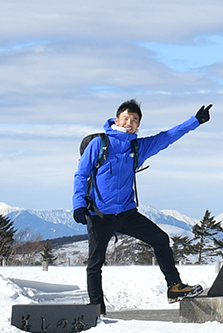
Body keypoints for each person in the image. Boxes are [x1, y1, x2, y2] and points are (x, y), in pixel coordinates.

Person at [74, 99, 212, 312]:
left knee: (160, 239)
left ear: (138, 125)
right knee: (95, 263)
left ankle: (174, 287)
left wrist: (195, 121)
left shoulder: (136, 147)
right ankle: (96, 309)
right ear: (117, 119)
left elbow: (166, 137)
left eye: (135, 120)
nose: (130, 123)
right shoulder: (100, 144)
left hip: (127, 213)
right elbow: (81, 174)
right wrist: (79, 204)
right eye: (126, 118)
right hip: (100, 214)